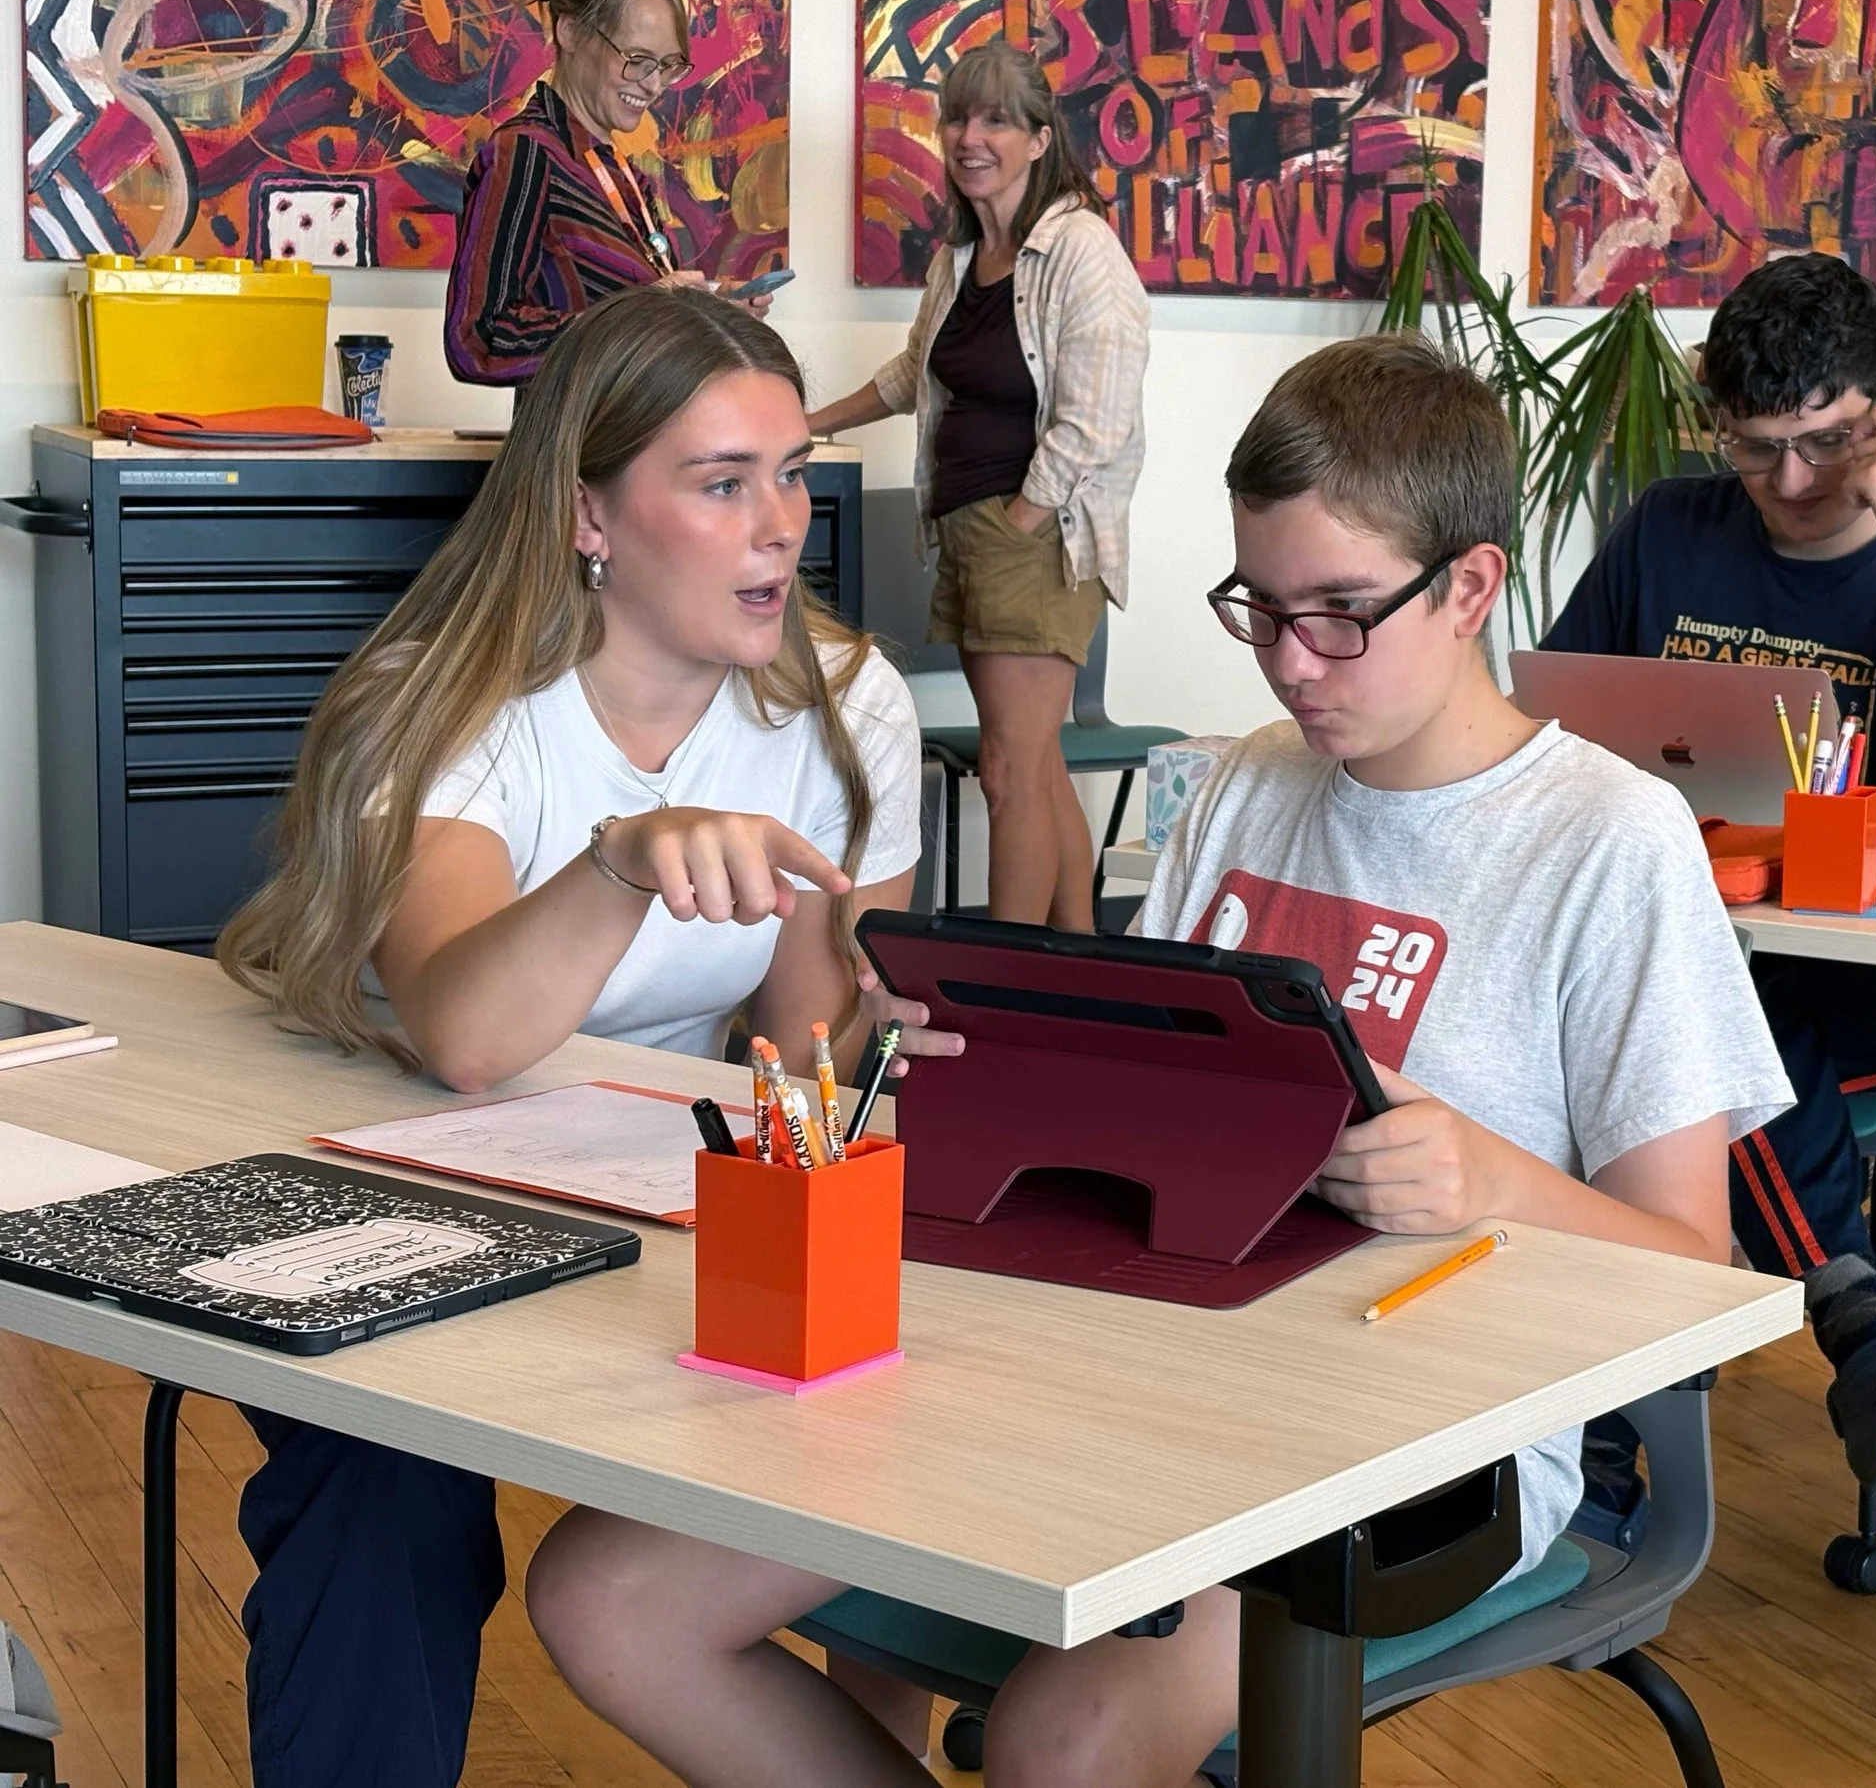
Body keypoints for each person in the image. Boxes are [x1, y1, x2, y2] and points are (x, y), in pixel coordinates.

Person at [520, 333, 1793, 1786]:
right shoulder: (1247, 783)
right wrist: (981, 1064)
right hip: (1124, 1359)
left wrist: (1494, 1180)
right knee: (610, 1596)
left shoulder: (1608, 840)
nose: (1292, 662)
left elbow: (1697, 1268)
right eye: (1261, 608)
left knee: (1063, 1742)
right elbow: (1134, 1113)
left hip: (1416, 1449)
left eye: (1339, 615)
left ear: (1469, 587)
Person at [213, 285, 924, 1786]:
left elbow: (805, 1062)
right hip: (387, 1179)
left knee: (872, 1410)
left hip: (635, 1192)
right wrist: (619, 861)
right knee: (383, 1492)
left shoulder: (846, 703)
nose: (780, 527)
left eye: (793, 474)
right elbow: (466, 1034)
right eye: (720, 484)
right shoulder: (446, 702)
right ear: (588, 514)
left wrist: (885, 1029)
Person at [1544, 252, 1876, 1531]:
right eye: (1755, 448)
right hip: (1688, 952)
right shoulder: (1667, 530)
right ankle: (1854, 1321)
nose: (1788, 483)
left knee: (1676, 1030)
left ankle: (1600, 1447)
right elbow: (1547, 741)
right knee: (1662, 1011)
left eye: (1827, 444)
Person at [810, 39, 1149, 929]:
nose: (970, 137)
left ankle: (1006, 974)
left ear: (1039, 138)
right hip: (969, 531)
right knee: (1034, 766)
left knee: (1006, 769)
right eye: (958, 116)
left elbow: (1097, 419)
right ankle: (1077, 955)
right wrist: (804, 424)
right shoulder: (963, 257)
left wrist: (1021, 519)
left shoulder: (1080, 251)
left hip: (1032, 542)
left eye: (997, 119)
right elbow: (912, 373)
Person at [446, 0, 759, 389]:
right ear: (571, 32)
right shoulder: (525, 152)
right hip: (576, 435)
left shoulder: (619, 173)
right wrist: (636, 316)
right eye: (637, 60)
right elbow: (478, 341)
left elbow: (640, 323)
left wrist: (706, 311)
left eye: (667, 65)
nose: (653, 85)